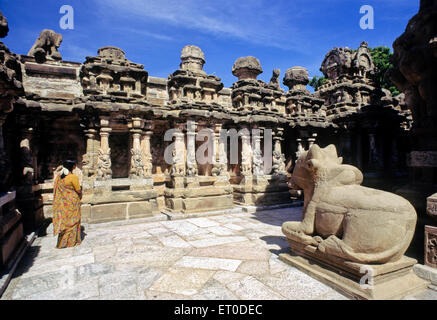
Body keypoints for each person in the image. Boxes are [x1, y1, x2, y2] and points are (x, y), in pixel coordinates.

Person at [52, 160, 82, 248]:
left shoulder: (59, 177)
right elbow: (78, 190)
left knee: (65, 221)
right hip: (73, 202)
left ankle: (62, 243)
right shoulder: (73, 177)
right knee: (74, 220)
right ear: (73, 167)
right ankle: (72, 242)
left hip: (63, 203)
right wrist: (80, 195)